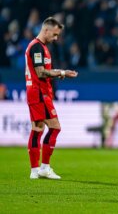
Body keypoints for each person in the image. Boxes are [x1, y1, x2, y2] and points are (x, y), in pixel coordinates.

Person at [25, 17, 78, 180]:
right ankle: (44, 168)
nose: (56, 39)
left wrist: (56, 72)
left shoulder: (40, 47)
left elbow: (43, 70)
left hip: (36, 92)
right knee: (55, 127)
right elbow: (41, 72)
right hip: (39, 93)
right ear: (46, 30)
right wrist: (62, 73)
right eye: (54, 35)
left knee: (37, 129)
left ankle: (35, 170)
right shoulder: (37, 48)